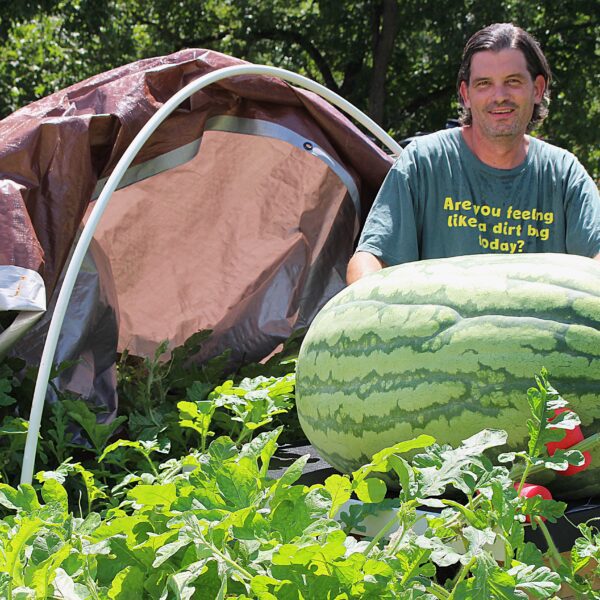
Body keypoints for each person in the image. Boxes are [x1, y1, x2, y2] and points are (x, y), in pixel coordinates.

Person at [347, 23, 600, 284]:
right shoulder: (424, 162)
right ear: (466, 94)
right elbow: (370, 258)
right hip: (437, 327)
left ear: (536, 89)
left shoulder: (564, 174)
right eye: (484, 84)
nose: (499, 96)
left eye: (512, 82)